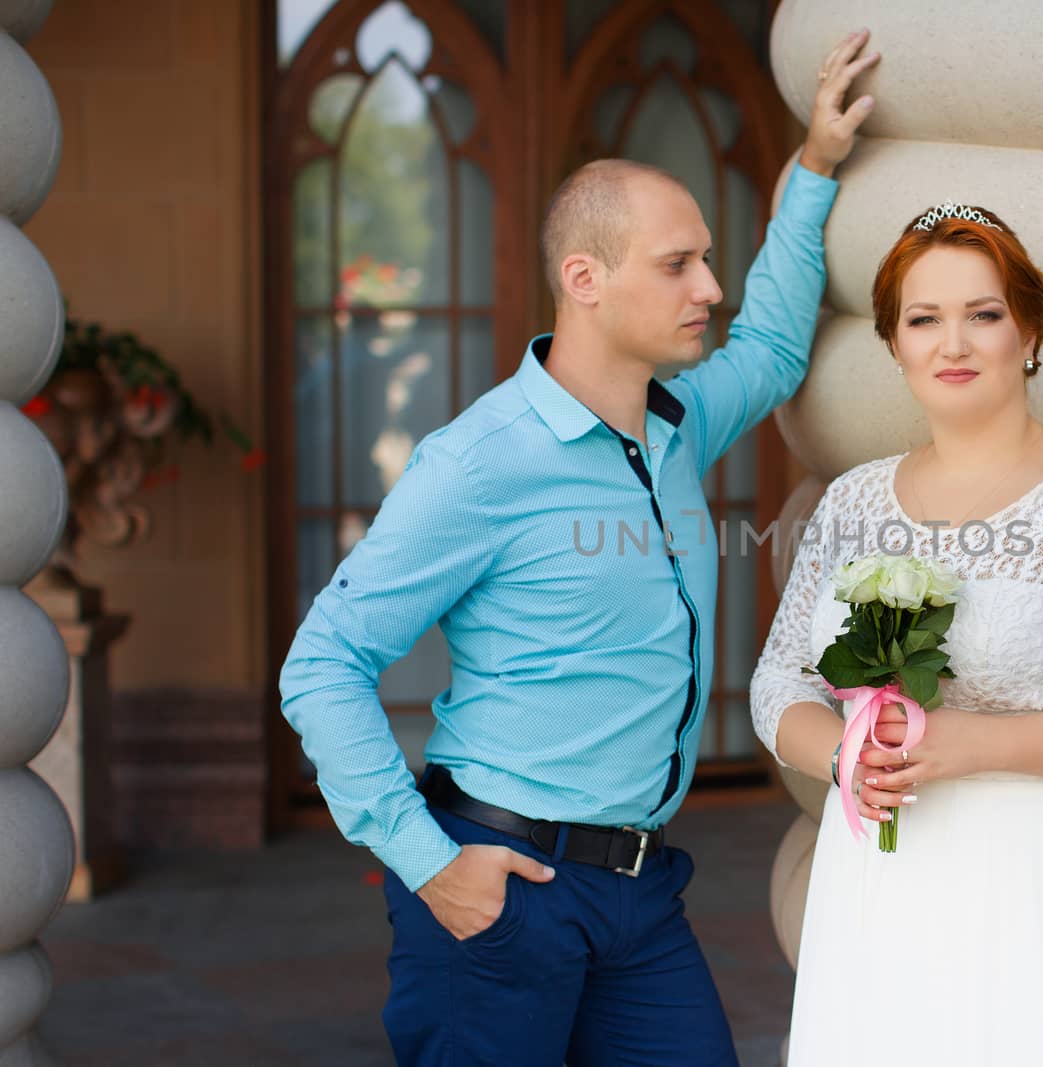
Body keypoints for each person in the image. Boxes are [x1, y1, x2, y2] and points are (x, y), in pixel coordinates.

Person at [279, 30, 880, 1067]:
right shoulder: (476, 464)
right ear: (583, 277)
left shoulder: (678, 420)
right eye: (679, 263)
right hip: (499, 885)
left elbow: (775, 346)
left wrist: (816, 165)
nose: (709, 286)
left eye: (706, 259)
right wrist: (427, 862)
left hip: (640, 895)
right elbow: (323, 664)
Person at [750, 201, 1043, 1064]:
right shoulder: (853, 501)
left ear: (1031, 330)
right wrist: (846, 753)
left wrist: (975, 741)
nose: (952, 344)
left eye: (984, 314)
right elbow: (777, 682)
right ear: (894, 344)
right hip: (880, 877)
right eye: (923, 319)